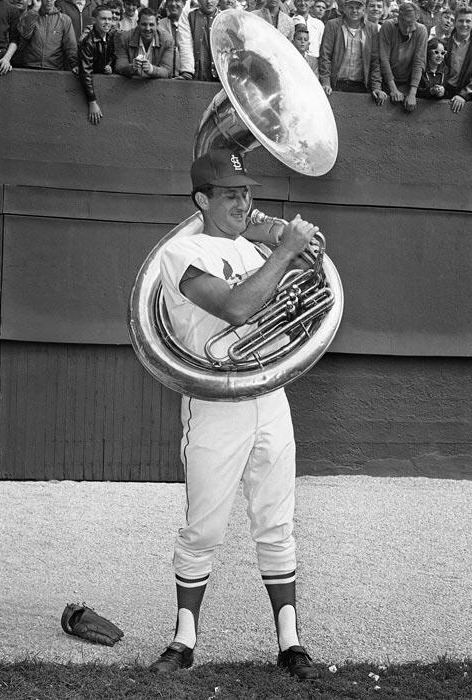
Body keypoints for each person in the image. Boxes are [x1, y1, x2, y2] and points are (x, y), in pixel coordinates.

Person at [153, 147, 321, 681]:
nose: (243, 203)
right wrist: (281, 251)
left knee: (276, 524)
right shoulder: (180, 253)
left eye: (247, 193)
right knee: (202, 529)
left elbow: (296, 293)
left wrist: (299, 255)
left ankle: (291, 643)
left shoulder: (253, 250)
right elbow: (235, 308)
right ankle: (183, 640)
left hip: (269, 398)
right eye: (230, 194)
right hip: (215, 403)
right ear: (202, 199)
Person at [319, 0, 386, 102]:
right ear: (344, 8)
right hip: (336, 84)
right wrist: (325, 82)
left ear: (364, 10)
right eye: (351, 7)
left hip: (361, 85)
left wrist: (376, 87)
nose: (354, 11)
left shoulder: (372, 28)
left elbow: (375, 60)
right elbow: (325, 56)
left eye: (358, 8)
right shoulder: (332, 25)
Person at [378, 1, 428, 111]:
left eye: (411, 25)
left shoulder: (421, 30)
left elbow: (418, 62)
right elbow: (384, 59)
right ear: (398, 18)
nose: (407, 29)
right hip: (387, 80)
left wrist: (412, 94)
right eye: (404, 24)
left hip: (407, 80)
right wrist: (393, 89)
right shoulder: (388, 26)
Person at [444, 6, 472, 111]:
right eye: (461, 21)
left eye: (468, 21)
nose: (464, 24)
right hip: (444, 90)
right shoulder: (445, 42)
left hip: (466, 95)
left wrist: (464, 94)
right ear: (455, 22)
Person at [78, 4, 115, 124]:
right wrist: (92, 101)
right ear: (94, 20)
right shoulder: (88, 41)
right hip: (92, 91)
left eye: (110, 19)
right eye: (103, 19)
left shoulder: (110, 37)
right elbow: (85, 72)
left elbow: (114, 56)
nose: (107, 22)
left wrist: (110, 66)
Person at [16, 0, 78, 70]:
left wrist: (75, 65)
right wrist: (34, 11)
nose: (49, 0)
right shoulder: (30, 15)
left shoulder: (64, 20)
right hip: (30, 66)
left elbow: (70, 45)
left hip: (54, 68)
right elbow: (25, 35)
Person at [114, 5, 172, 76]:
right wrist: (132, 67)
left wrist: (151, 70)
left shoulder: (167, 40)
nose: (147, 28)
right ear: (138, 24)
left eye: (151, 25)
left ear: (157, 25)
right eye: (144, 24)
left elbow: (167, 71)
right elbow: (119, 67)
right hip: (131, 83)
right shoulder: (125, 38)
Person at [177, 0, 219, 81]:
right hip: (196, 72)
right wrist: (187, 71)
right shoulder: (189, 15)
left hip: (219, 76)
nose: (209, 1)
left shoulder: (224, 17)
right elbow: (185, 43)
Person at [293, 0, 325, 74]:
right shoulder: (289, 21)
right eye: (299, 0)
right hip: (294, 63)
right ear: (294, 2)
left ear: (311, 2)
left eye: (306, 0)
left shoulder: (319, 24)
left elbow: (323, 49)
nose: (303, 3)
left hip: (314, 66)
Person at [158, 0, 182, 76]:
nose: (173, 3)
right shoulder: (158, 26)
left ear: (184, 3)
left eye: (177, 0)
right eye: (170, 0)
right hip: (163, 78)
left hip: (187, 79)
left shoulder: (192, 25)